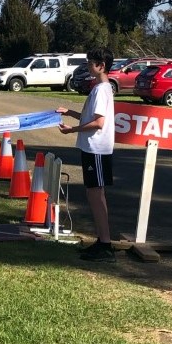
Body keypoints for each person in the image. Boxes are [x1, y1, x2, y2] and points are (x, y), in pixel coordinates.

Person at [57, 48, 116, 262]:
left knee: (96, 195)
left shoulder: (102, 89)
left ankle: (106, 244)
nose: (88, 65)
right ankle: (102, 240)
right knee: (93, 194)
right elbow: (88, 116)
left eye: (91, 62)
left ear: (101, 65)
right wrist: (69, 113)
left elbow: (99, 123)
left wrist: (71, 130)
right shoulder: (99, 88)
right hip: (91, 148)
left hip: (97, 148)